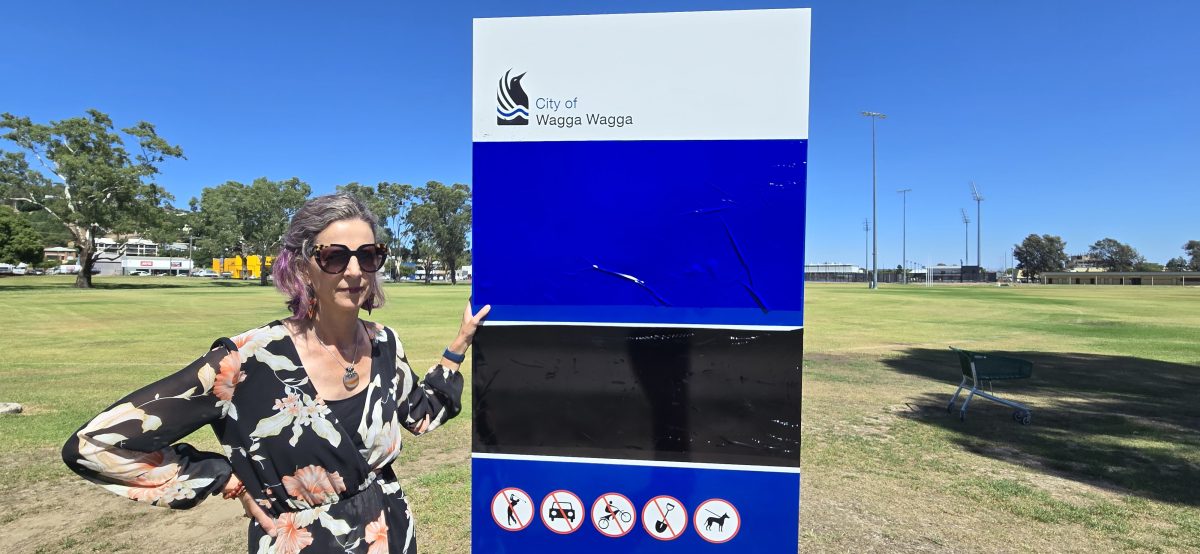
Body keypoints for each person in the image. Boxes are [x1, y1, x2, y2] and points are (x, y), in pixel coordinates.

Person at [61, 193, 489, 553]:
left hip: (390, 533)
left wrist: (458, 346)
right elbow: (93, 446)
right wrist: (227, 479)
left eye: (369, 255)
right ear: (303, 266)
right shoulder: (246, 361)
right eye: (335, 257)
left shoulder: (384, 343)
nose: (356, 271)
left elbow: (419, 414)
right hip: (302, 542)